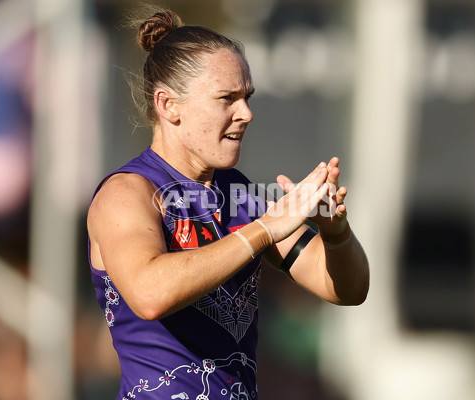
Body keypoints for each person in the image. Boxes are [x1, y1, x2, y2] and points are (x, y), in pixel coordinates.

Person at [87, 7, 369, 400]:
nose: (247, 113)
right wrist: (264, 230)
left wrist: (336, 234)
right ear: (169, 106)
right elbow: (149, 294)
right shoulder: (127, 193)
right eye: (227, 99)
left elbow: (345, 289)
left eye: (247, 97)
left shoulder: (237, 193)